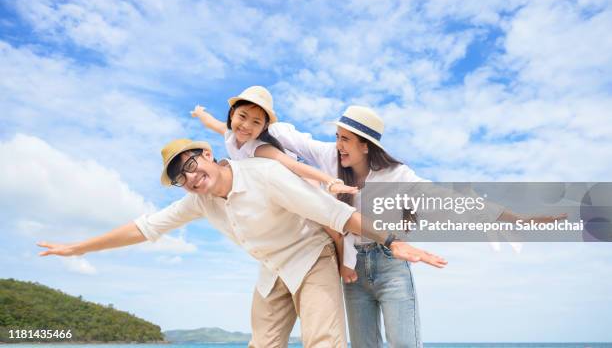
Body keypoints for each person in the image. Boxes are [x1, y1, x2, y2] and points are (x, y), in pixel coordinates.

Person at [38, 137, 447, 348]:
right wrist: (78, 248)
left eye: (193, 165)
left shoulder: (264, 175)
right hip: (272, 271)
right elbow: (145, 228)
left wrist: (392, 240)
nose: (193, 177)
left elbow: (334, 214)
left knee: (324, 342)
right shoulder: (198, 202)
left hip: (311, 255)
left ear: (207, 154)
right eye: (182, 177)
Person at [267, 105, 564, 348]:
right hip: (352, 269)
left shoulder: (398, 176)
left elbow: (450, 199)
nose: (338, 145)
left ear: (366, 146)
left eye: (345, 139)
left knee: (405, 344)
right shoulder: (329, 157)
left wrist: (515, 218)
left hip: (390, 265)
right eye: (337, 136)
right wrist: (267, 116)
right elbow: (286, 135)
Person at [191, 85, 359, 282]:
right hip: (275, 186)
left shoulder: (259, 149)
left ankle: (345, 262)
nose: (246, 126)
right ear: (232, 114)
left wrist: (330, 181)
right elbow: (211, 123)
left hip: (298, 176)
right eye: (242, 116)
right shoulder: (229, 135)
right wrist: (200, 113)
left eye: (256, 122)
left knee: (328, 219)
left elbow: (293, 166)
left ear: (264, 127)